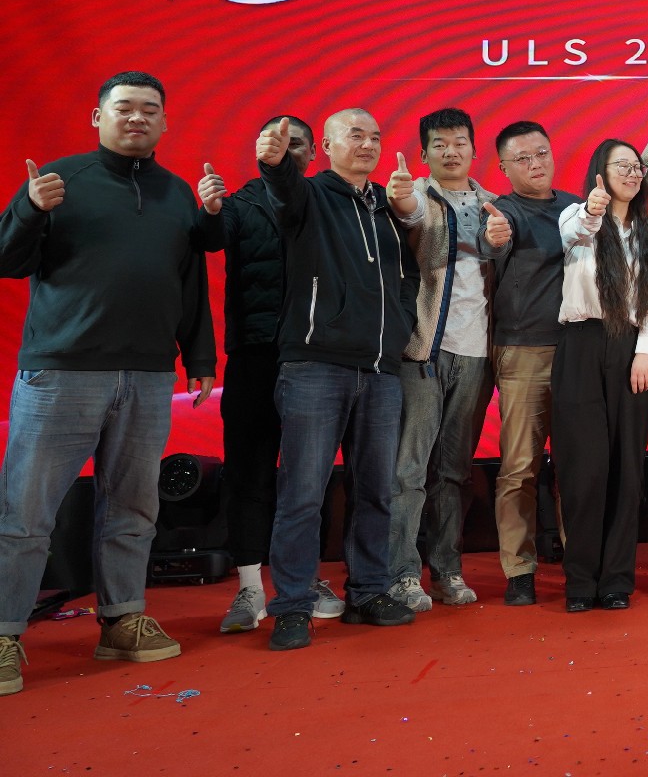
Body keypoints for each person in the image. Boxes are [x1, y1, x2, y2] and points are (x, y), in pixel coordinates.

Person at [0, 72, 224, 692]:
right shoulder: (57, 181)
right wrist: (29, 210)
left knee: (133, 507)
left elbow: (189, 283)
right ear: (97, 116)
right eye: (124, 108)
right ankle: (4, 633)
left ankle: (122, 620)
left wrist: (199, 357)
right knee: (26, 512)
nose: (137, 118)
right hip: (62, 371)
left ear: (165, 122)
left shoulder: (178, 193)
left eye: (150, 109)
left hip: (148, 375)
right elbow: (6, 261)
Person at [258, 110, 424, 651]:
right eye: (355, 135)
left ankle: (368, 591)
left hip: (380, 370)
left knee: (376, 490)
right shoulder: (308, 196)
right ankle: (291, 606)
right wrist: (274, 164)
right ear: (326, 146)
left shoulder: (389, 207)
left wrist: (399, 329)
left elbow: (408, 278)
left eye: (375, 137)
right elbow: (282, 189)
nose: (368, 144)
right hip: (315, 364)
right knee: (303, 494)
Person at [217, 115, 347, 634]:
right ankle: (249, 588)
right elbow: (207, 239)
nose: (287, 151)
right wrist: (208, 211)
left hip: (316, 356)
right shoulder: (237, 205)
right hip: (255, 355)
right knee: (248, 471)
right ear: (259, 149)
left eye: (297, 145)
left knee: (310, 476)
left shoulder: (327, 201)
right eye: (277, 142)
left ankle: (306, 579)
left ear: (313, 154)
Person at [388, 108, 508, 614]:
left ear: (474, 151)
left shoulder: (496, 205)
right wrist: (401, 198)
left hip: (477, 353)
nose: (451, 151)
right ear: (424, 153)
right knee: (409, 470)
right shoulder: (415, 194)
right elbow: (410, 214)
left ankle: (446, 569)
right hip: (422, 351)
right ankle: (400, 573)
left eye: (459, 142)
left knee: (454, 471)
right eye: (439, 144)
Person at [553, 141, 648, 610]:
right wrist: (593, 211)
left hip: (630, 349)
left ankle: (617, 579)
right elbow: (575, 233)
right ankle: (580, 581)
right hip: (580, 344)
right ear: (601, 170)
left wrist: (646, 351)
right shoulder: (575, 215)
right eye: (623, 166)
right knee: (584, 467)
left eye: (637, 167)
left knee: (627, 469)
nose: (633, 173)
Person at [485, 120, 582, 606]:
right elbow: (490, 244)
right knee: (520, 465)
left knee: (577, 464)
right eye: (522, 158)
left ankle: (581, 562)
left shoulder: (577, 207)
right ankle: (519, 569)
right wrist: (494, 238)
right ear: (504, 167)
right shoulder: (501, 213)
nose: (535, 163)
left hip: (579, 350)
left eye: (541, 152)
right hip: (525, 351)